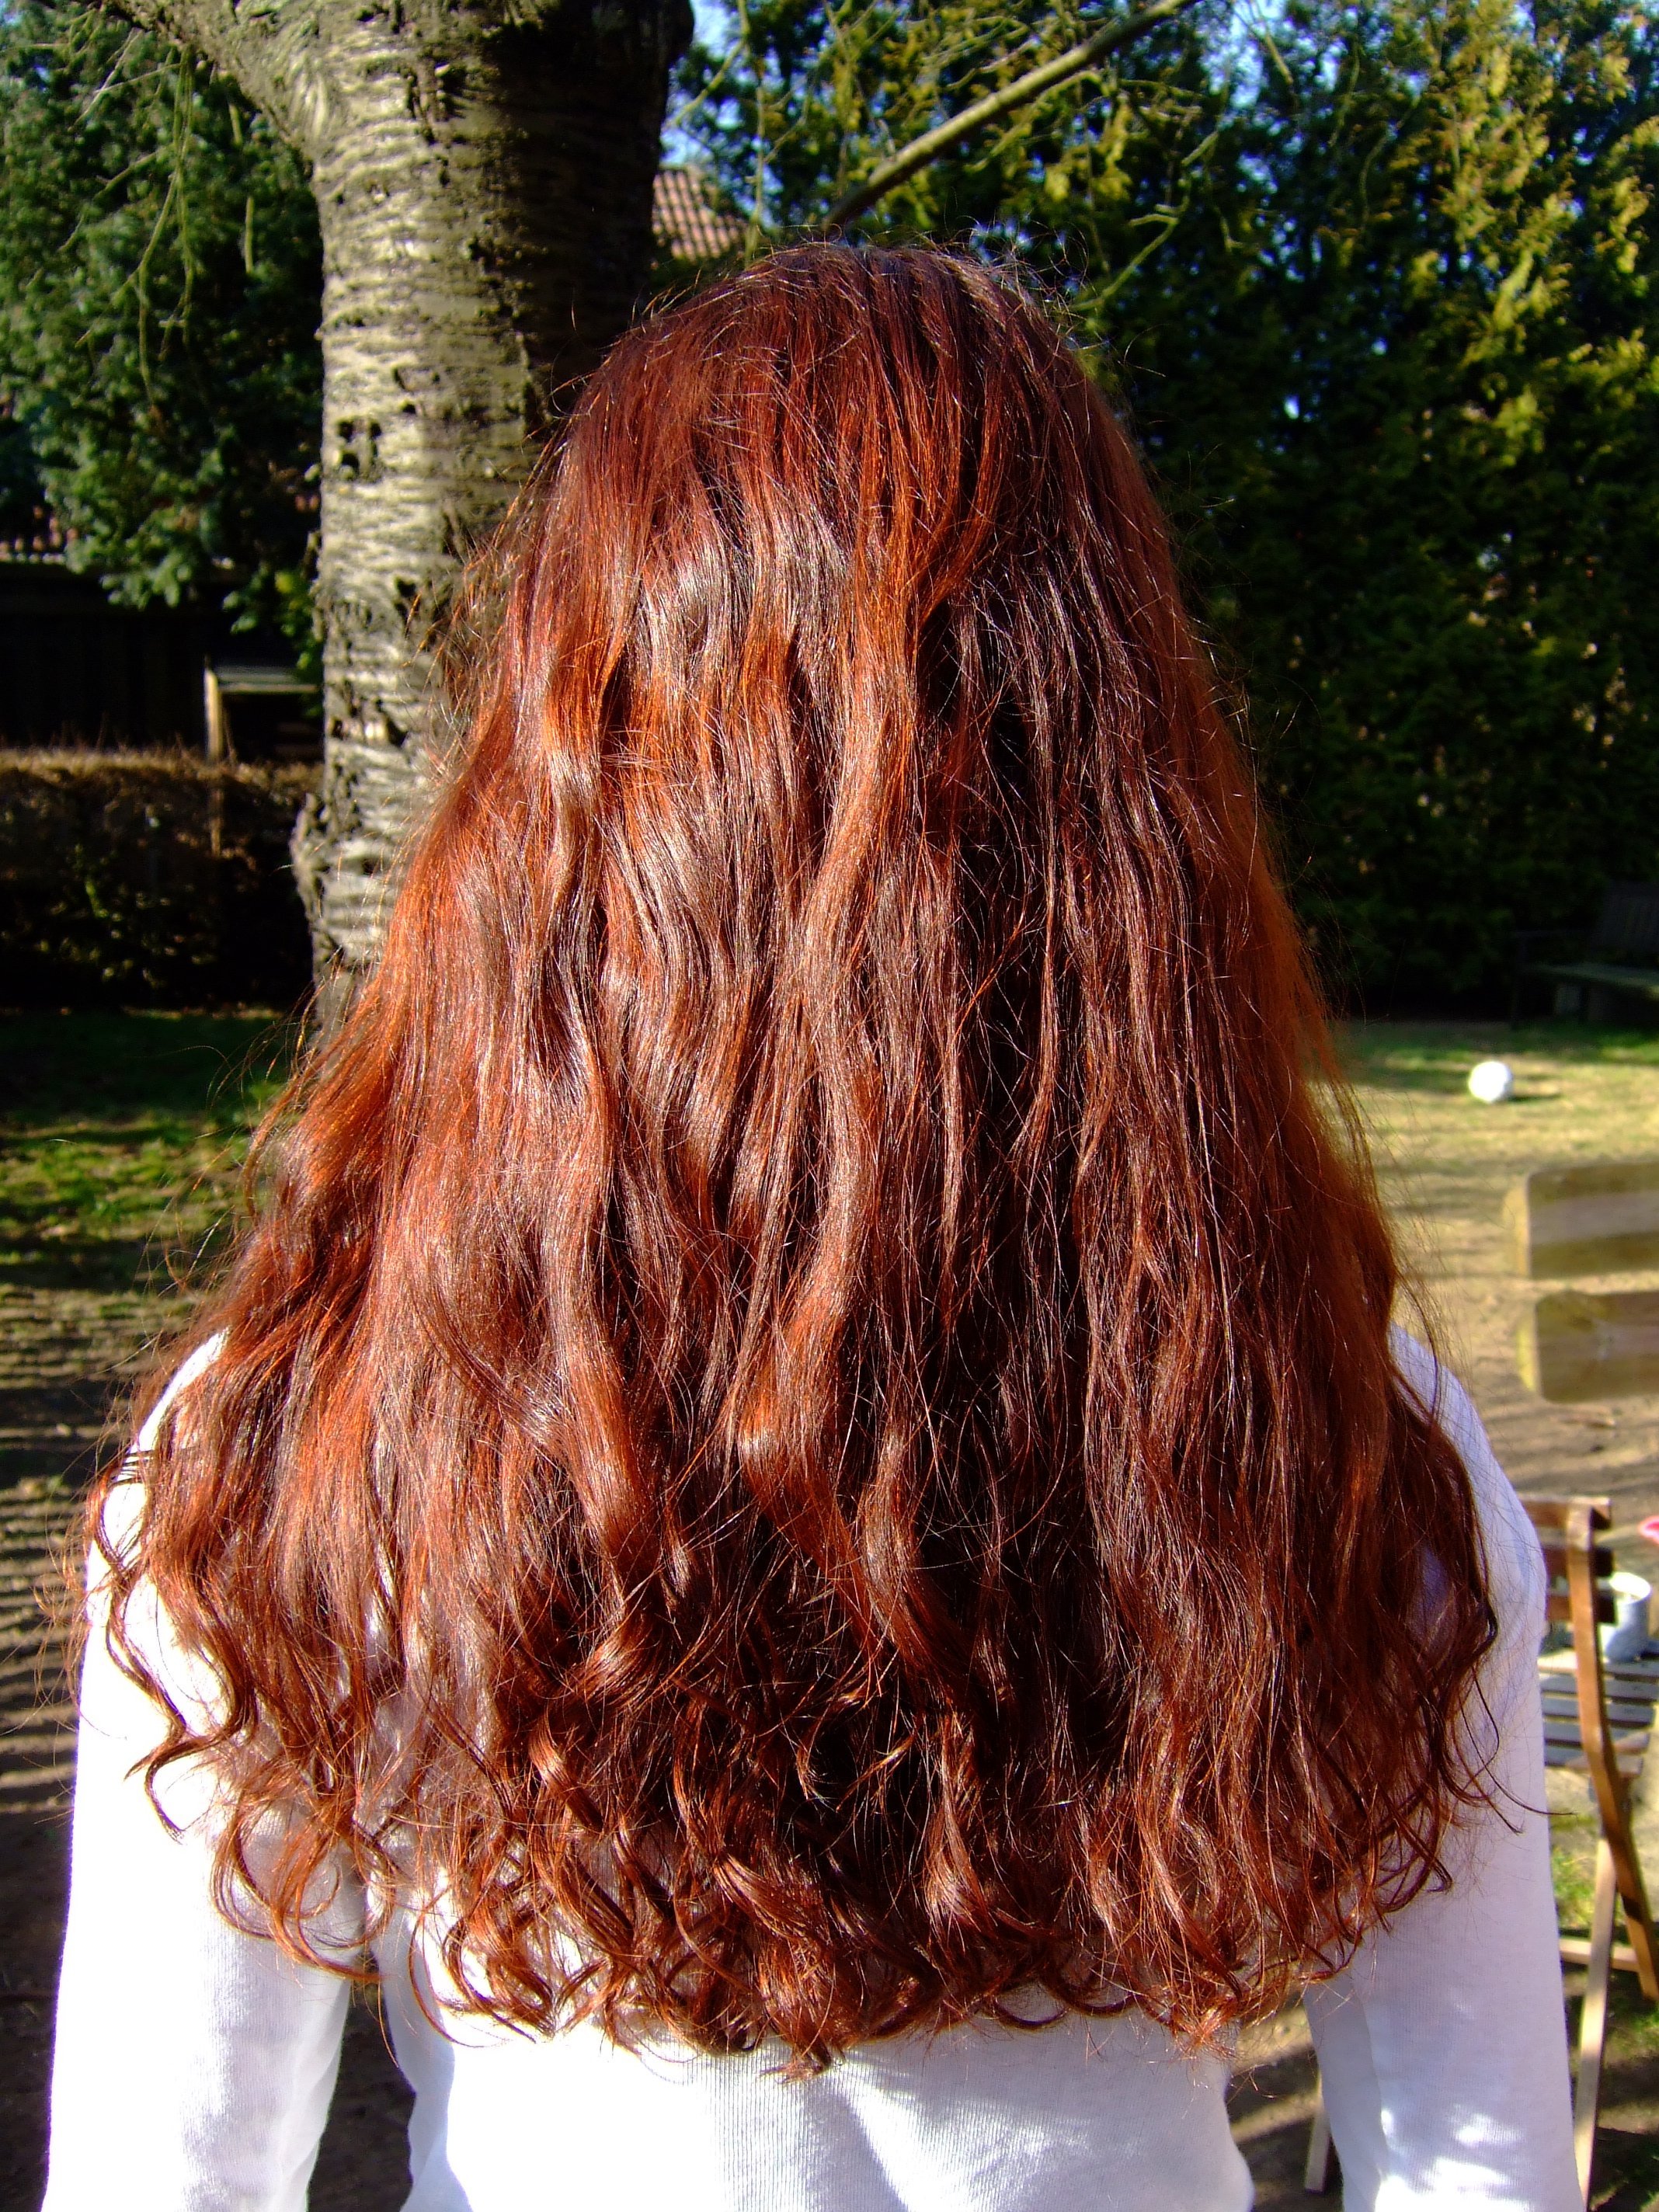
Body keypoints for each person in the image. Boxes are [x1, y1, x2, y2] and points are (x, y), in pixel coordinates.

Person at [46, 245, 1577, 2210]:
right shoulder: (1350, 1441)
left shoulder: (284, 1451)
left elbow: (163, 2175)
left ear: (560, 798)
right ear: (1125, 811)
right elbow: (1482, 2169)